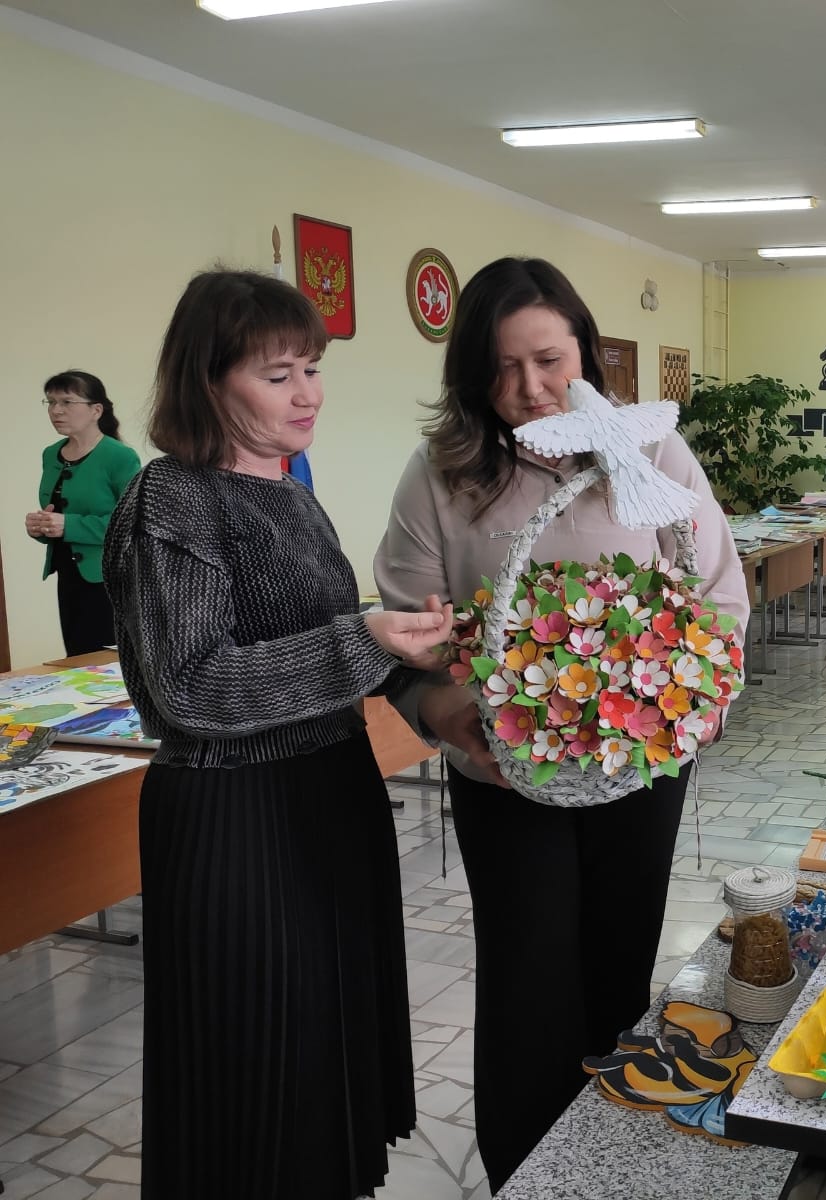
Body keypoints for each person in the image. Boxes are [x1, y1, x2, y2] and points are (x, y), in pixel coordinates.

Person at [374, 256, 749, 1192]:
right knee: (528, 977)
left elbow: (716, 592)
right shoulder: (442, 474)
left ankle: (607, 1159)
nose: (531, 388)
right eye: (504, 367)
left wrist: (703, 698)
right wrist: (442, 708)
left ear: (586, 351)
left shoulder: (650, 451)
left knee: (622, 962)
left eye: (549, 359)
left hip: (641, 769)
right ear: (472, 372)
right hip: (505, 773)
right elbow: (406, 636)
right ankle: (526, 1170)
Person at [102, 269, 451, 1200]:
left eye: (312, 368)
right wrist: (363, 640)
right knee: (257, 1070)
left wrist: (417, 655)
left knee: (326, 1055)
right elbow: (190, 687)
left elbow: (320, 642)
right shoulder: (173, 497)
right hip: (239, 818)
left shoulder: (291, 492)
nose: (308, 395)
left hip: (330, 796)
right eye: (277, 375)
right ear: (207, 381)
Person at [26, 370, 141, 655]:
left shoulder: (120, 456)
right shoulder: (51, 454)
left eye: (67, 402)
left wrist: (68, 525)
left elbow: (132, 522)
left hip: (109, 578)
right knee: (77, 658)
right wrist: (41, 527)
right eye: (51, 402)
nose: (56, 410)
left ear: (96, 410)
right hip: (68, 574)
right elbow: (58, 513)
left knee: (108, 661)